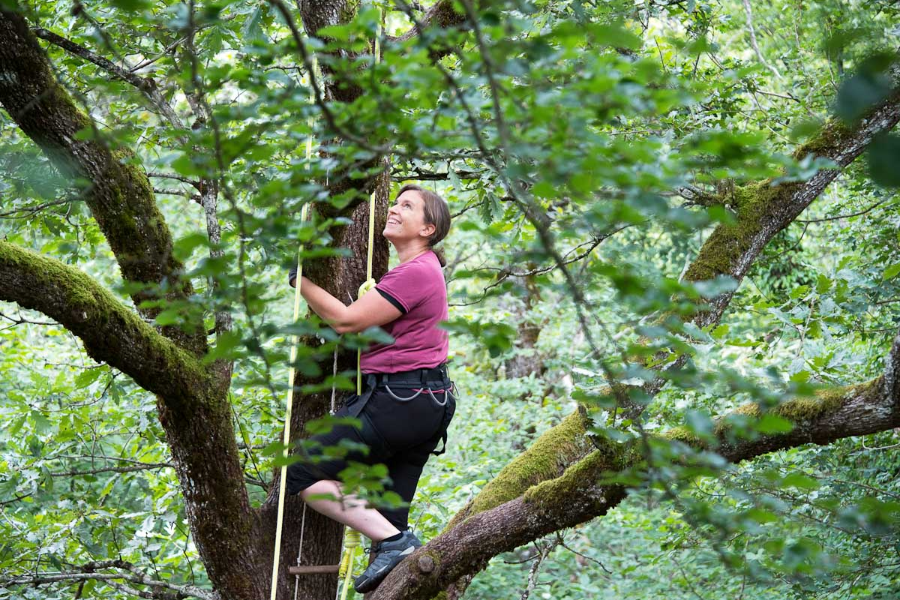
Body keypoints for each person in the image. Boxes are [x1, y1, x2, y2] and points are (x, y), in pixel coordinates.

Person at [286, 184, 456, 593]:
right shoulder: (417, 270)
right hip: (424, 404)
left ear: (428, 228)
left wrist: (300, 280)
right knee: (386, 518)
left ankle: (399, 543)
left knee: (305, 471)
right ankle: (397, 546)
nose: (394, 210)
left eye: (407, 206)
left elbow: (346, 322)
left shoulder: (417, 271)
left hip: (401, 402)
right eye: (395, 203)